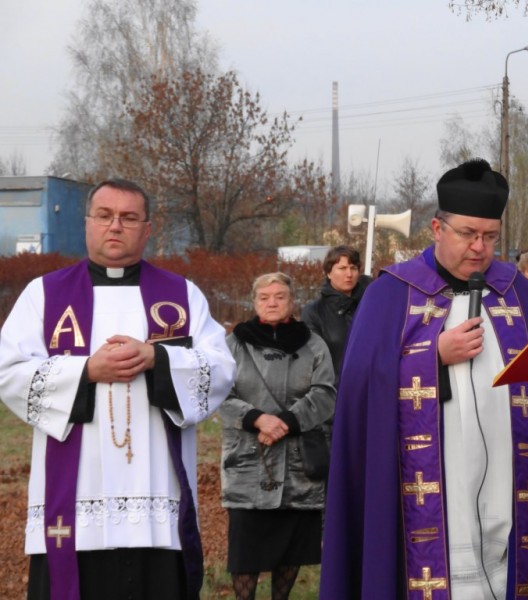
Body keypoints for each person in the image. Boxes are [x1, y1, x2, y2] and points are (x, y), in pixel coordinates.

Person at [320, 158, 528, 599]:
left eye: (490, 236)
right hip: (430, 497)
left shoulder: (517, 291)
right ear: (437, 228)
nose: (479, 247)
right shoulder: (391, 293)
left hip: (512, 486)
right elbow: (360, 388)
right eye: (467, 233)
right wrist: (432, 356)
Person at [0, 179, 236, 600]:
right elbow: (10, 372)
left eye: (128, 218)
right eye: (105, 215)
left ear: (147, 229)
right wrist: (86, 370)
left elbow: (220, 369)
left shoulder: (182, 294)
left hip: (157, 499)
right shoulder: (44, 294)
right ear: (87, 223)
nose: (115, 226)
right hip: (74, 502)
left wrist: (157, 358)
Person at [220, 272, 335, 600]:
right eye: (264, 297)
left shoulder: (313, 344)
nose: (272, 303)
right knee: (245, 549)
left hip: (297, 462)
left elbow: (325, 392)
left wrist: (285, 422)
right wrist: (257, 419)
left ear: (292, 301)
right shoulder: (233, 344)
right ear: (254, 302)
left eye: (279, 296)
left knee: (291, 547)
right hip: (247, 458)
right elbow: (217, 393)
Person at [301, 245, 370, 382]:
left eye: (353, 268)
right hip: (334, 389)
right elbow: (312, 360)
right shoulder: (314, 311)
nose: (349, 274)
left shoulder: (371, 304)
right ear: (329, 273)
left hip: (370, 386)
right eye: (342, 268)